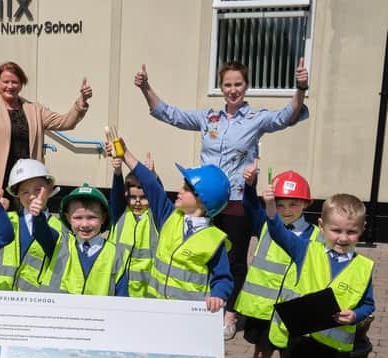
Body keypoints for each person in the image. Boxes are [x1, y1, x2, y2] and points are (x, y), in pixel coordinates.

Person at [135, 59, 310, 338]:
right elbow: (170, 114)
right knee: (203, 255)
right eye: (227, 84)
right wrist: (146, 87)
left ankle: (229, 313)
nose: (233, 90)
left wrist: (301, 87)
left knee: (234, 259)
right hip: (206, 200)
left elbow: (286, 116)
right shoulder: (209, 118)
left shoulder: (256, 119)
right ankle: (201, 300)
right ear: (220, 87)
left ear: (246, 86)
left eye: (238, 84)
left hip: (238, 200)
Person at [263, 190, 375, 358]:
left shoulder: (364, 267)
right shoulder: (306, 250)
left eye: (351, 231)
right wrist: (271, 206)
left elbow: (368, 304)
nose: (343, 238)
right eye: (336, 230)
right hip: (303, 341)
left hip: (336, 350)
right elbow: (278, 232)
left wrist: (355, 315)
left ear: (362, 229)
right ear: (322, 226)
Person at [231, 163, 320, 358]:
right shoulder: (266, 223)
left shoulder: (316, 235)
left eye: (293, 204)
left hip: (292, 309)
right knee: (261, 352)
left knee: (288, 357)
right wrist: (250, 186)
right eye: (280, 205)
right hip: (263, 307)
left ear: (307, 203)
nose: (286, 210)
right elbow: (250, 207)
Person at [0, 61, 93, 210]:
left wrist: (81, 103)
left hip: (25, 179)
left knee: (24, 222)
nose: (10, 86)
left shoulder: (34, 109)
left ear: (21, 84)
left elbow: (64, 122)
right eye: (5, 82)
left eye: (15, 82)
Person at [109, 137, 233, 312]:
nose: (180, 190)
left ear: (203, 200)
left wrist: (219, 294)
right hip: (156, 308)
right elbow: (151, 185)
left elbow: (223, 277)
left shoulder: (214, 240)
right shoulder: (169, 216)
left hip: (188, 315)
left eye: (187, 188)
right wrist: (125, 154)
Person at [0, 159, 63, 291]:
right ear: (17, 195)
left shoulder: (59, 228)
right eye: (25, 192)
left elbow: (45, 236)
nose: (32, 196)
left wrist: (37, 216)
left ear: (50, 188)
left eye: (37, 190)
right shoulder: (5, 219)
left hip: (31, 304)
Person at [40, 183, 125, 295]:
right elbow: (39, 230)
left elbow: (122, 296)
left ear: (103, 218)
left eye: (91, 217)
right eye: (78, 218)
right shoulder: (59, 244)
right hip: (61, 312)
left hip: (99, 312)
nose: (84, 224)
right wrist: (37, 212)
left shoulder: (115, 253)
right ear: (67, 218)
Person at [108, 153, 159, 297]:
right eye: (133, 197)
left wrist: (153, 177)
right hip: (120, 287)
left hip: (147, 290)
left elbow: (159, 197)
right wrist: (117, 171)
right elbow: (116, 194)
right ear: (126, 195)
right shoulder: (120, 214)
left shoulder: (154, 217)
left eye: (143, 198)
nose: (137, 202)